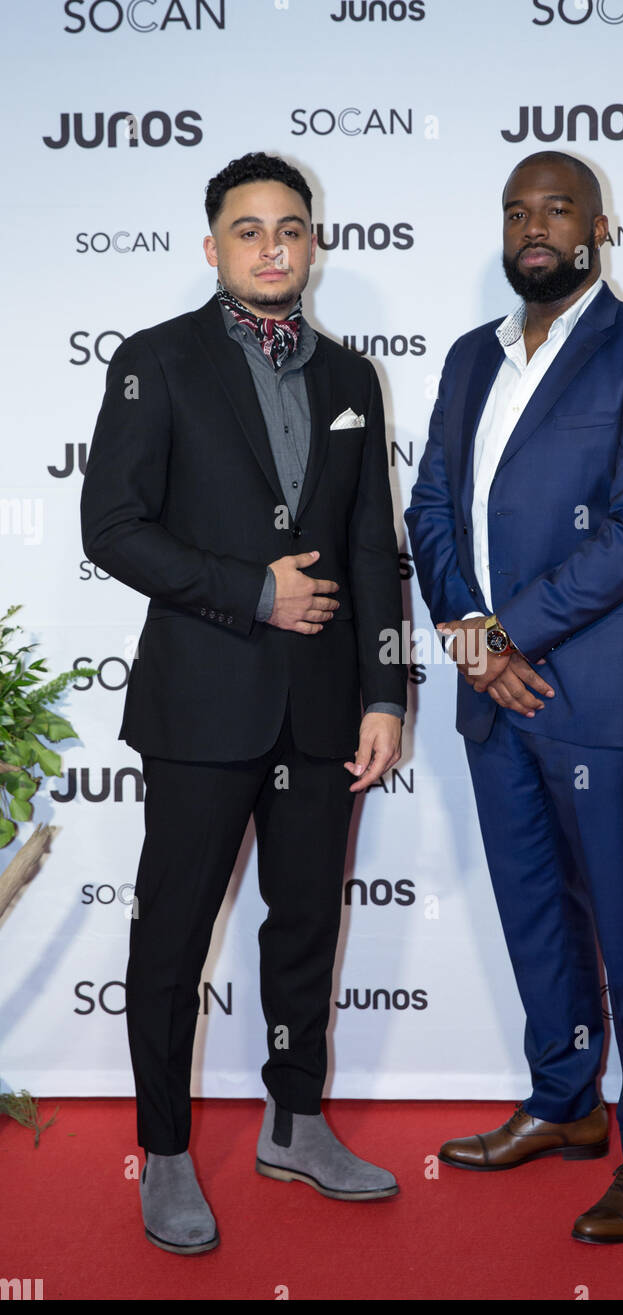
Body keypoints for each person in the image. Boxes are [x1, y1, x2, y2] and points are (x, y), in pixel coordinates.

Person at [81, 151, 406, 1255]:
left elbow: (373, 548)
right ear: (211, 244)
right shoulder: (155, 363)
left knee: (305, 925)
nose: (273, 246)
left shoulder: (353, 378)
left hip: (321, 711)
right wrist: (248, 592)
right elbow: (111, 529)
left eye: (291, 228)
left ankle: (294, 1120)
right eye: (248, 228)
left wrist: (383, 692)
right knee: (171, 936)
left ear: (313, 244)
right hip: (201, 706)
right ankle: (164, 1149)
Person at [405, 151, 623, 1244]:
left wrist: (507, 631)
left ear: (597, 228)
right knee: (536, 915)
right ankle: (564, 1104)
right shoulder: (467, 357)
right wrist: (469, 635)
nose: (533, 227)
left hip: (596, 698)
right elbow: (429, 505)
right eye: (515, 210)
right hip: (494, 695)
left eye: (557, 208)